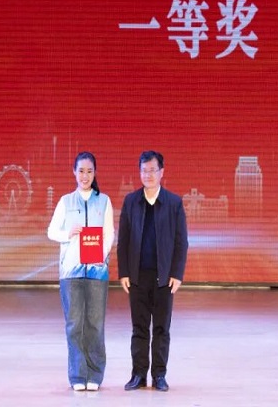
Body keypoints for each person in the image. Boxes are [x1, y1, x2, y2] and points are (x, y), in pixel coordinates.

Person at [118, 150, 189, 392]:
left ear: (161, 172)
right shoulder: (131, 202)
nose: (148, 175)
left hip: (164, 278)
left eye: (152, 170)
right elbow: (123, 240)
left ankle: (159, 375)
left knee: (161, 329)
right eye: (144, 170)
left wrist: (177, 274)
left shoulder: (173, 203)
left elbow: (181, 241)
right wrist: (124, 272)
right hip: (137, 277)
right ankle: (138, 375)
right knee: (139, 329)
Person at [48, 151, 114, 392]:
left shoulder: (104, 201)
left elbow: (109, 233)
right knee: (74, 324)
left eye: (89, 171)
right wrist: (68, 234)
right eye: (81, 171)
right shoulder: (66, 202)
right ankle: (77, 375)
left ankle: (95, 374)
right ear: (74, 172)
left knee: (95, 323)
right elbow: (51, 232)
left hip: (97, 272)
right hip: (71, 273)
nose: (85, 176)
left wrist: (100, 256)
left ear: (95, 173)